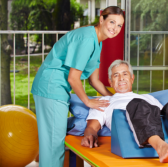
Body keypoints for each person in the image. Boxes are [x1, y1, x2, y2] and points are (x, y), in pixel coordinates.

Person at [31, 6, 124, 167]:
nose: (115, 28)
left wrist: (114, 97)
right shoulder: (87, 38)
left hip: (57, 88)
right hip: (51, 86)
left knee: (53, 144)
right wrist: (88, 102)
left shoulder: (98, 42)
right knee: (54, 147)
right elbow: (73, 78)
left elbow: (94, 81)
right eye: (112, 22)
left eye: (119, 25)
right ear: (101, 19)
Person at [81, 60, 168, 163]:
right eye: (116, 75)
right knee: (138, 104)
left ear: (132, 78)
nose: (121, 78)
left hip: (156, 124)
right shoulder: (104, 101)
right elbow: (92, 127)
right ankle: (161, 147)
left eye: (125, 74)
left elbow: (165, 117)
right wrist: (89, 135)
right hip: (136, 130)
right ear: (110, 81)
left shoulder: (147, 98)